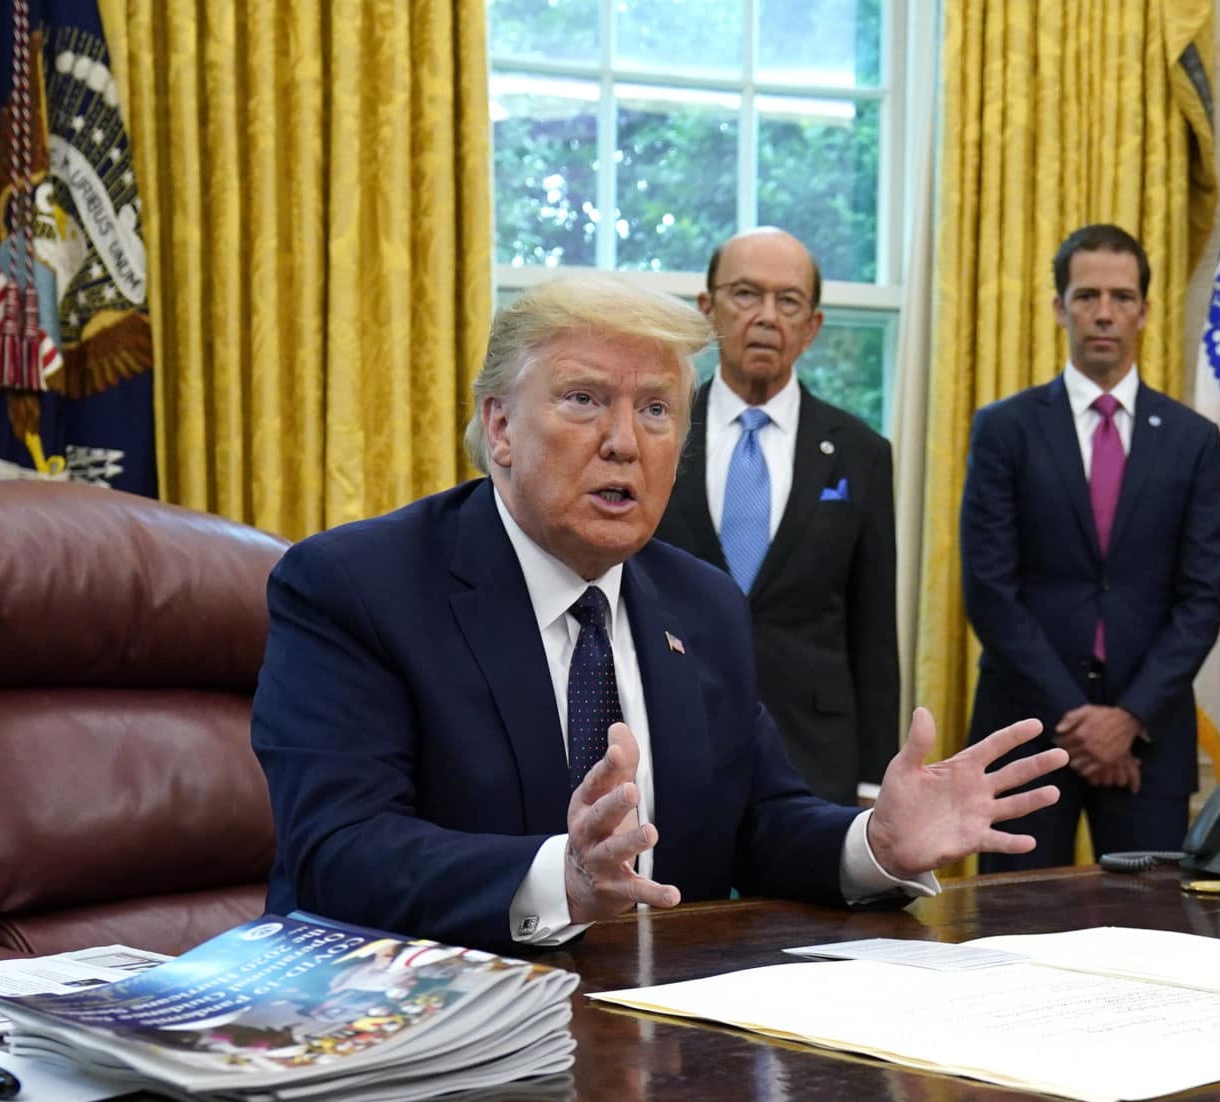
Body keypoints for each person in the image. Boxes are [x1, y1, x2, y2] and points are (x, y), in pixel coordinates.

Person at [252, 275, 1065, 952]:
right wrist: (557, 879)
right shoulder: (355, 585)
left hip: (667, 1049)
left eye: (655, 410)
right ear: (499, 426)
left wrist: (871, 844)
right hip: (430, 1046)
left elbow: (760, 820)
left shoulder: (702, 603)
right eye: (583, 399)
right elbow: (339, 850)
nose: (623, 443)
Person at [957, 224, 1220, 869]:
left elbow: (1201, 598)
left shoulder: (1193, 440)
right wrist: (1079, 722)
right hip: (1027, 729)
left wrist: (1127, 718)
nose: (1103, 312)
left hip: (1150, 736)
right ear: (1059, 307)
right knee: (1011, 935)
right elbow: (990, 590)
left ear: (1145, 311)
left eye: (1121, 296)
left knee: (1149, 946)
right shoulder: (1005, 429)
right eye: (1086, 296)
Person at [654, 228, 899, 806]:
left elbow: (874, 628)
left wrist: (874, 779)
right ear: (708, 310)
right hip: (677, 740)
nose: (766, 317)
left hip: (815, 752)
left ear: (812, 326)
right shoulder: (657, 431)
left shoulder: (861, 452)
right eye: (745, 295)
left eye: (788, 301)